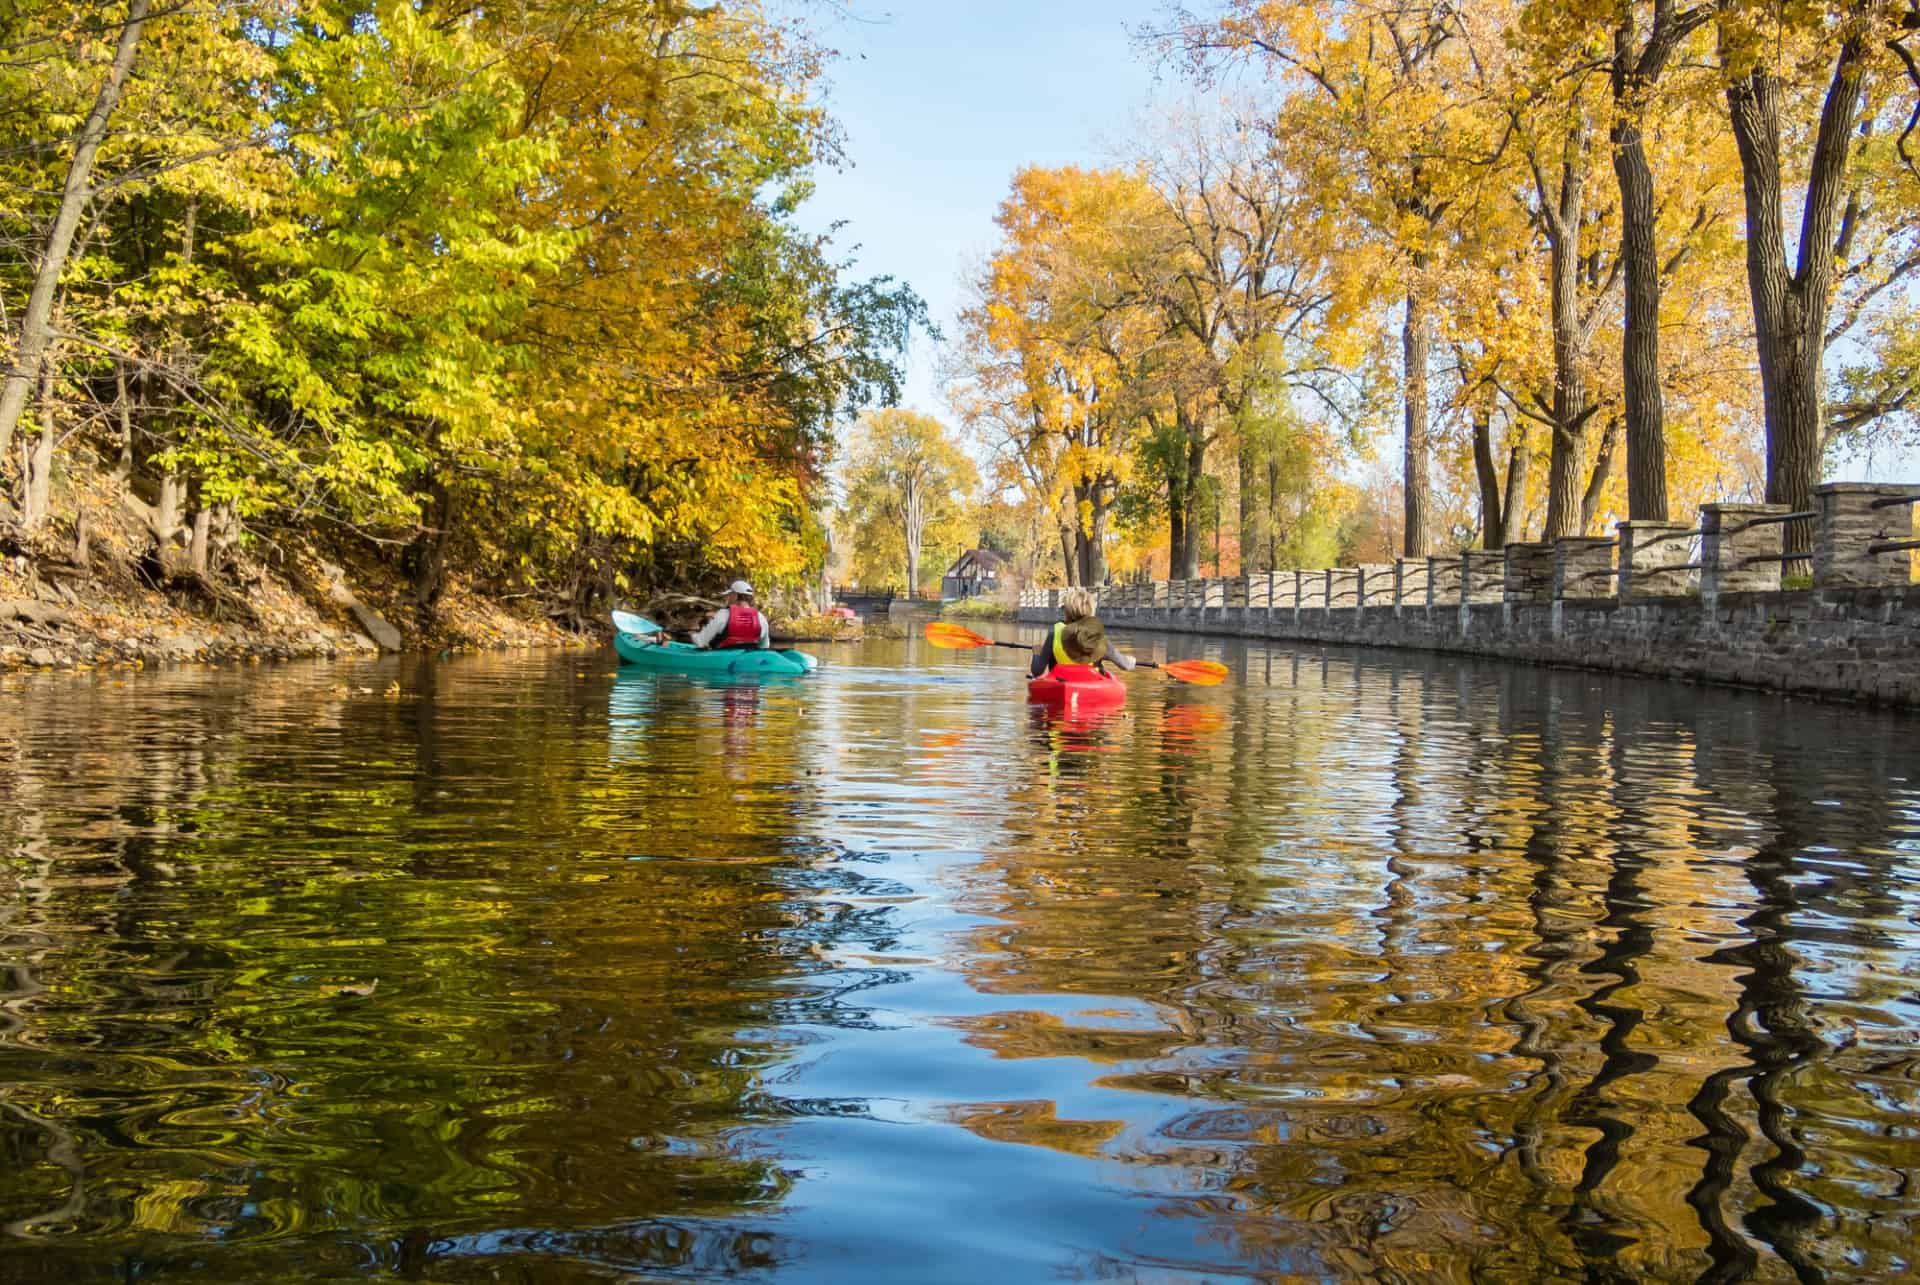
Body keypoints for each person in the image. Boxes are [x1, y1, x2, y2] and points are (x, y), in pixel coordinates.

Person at [1030, 587, 1137, 678]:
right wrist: (1131, 660)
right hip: (1089, 685)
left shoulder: (1053, 635)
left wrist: (1036, 654)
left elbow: (1037, 671)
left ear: (1067, 612)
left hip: (1062, 681)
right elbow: (1126, 666)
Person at [693, 580, 770, 650]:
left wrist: (692, 636)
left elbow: (701, 641)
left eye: (730, 595)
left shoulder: (723, 614)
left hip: (723, 660)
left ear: (736, 596)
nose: (728, 598)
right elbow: (764, 646)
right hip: (749, 659)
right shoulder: (761, 617)